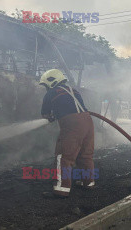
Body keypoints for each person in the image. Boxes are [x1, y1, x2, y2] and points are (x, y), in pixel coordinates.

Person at [39, 69, 95, 198]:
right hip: (87, 120)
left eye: (46, 85)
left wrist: (50, 117)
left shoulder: (51, 93)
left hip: (72, 124)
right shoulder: (74, 90)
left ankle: (62, 189)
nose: (46, 88)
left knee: (63, 156)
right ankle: (88, 182)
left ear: (51, 82)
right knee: (86, 155)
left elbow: (45, 114)